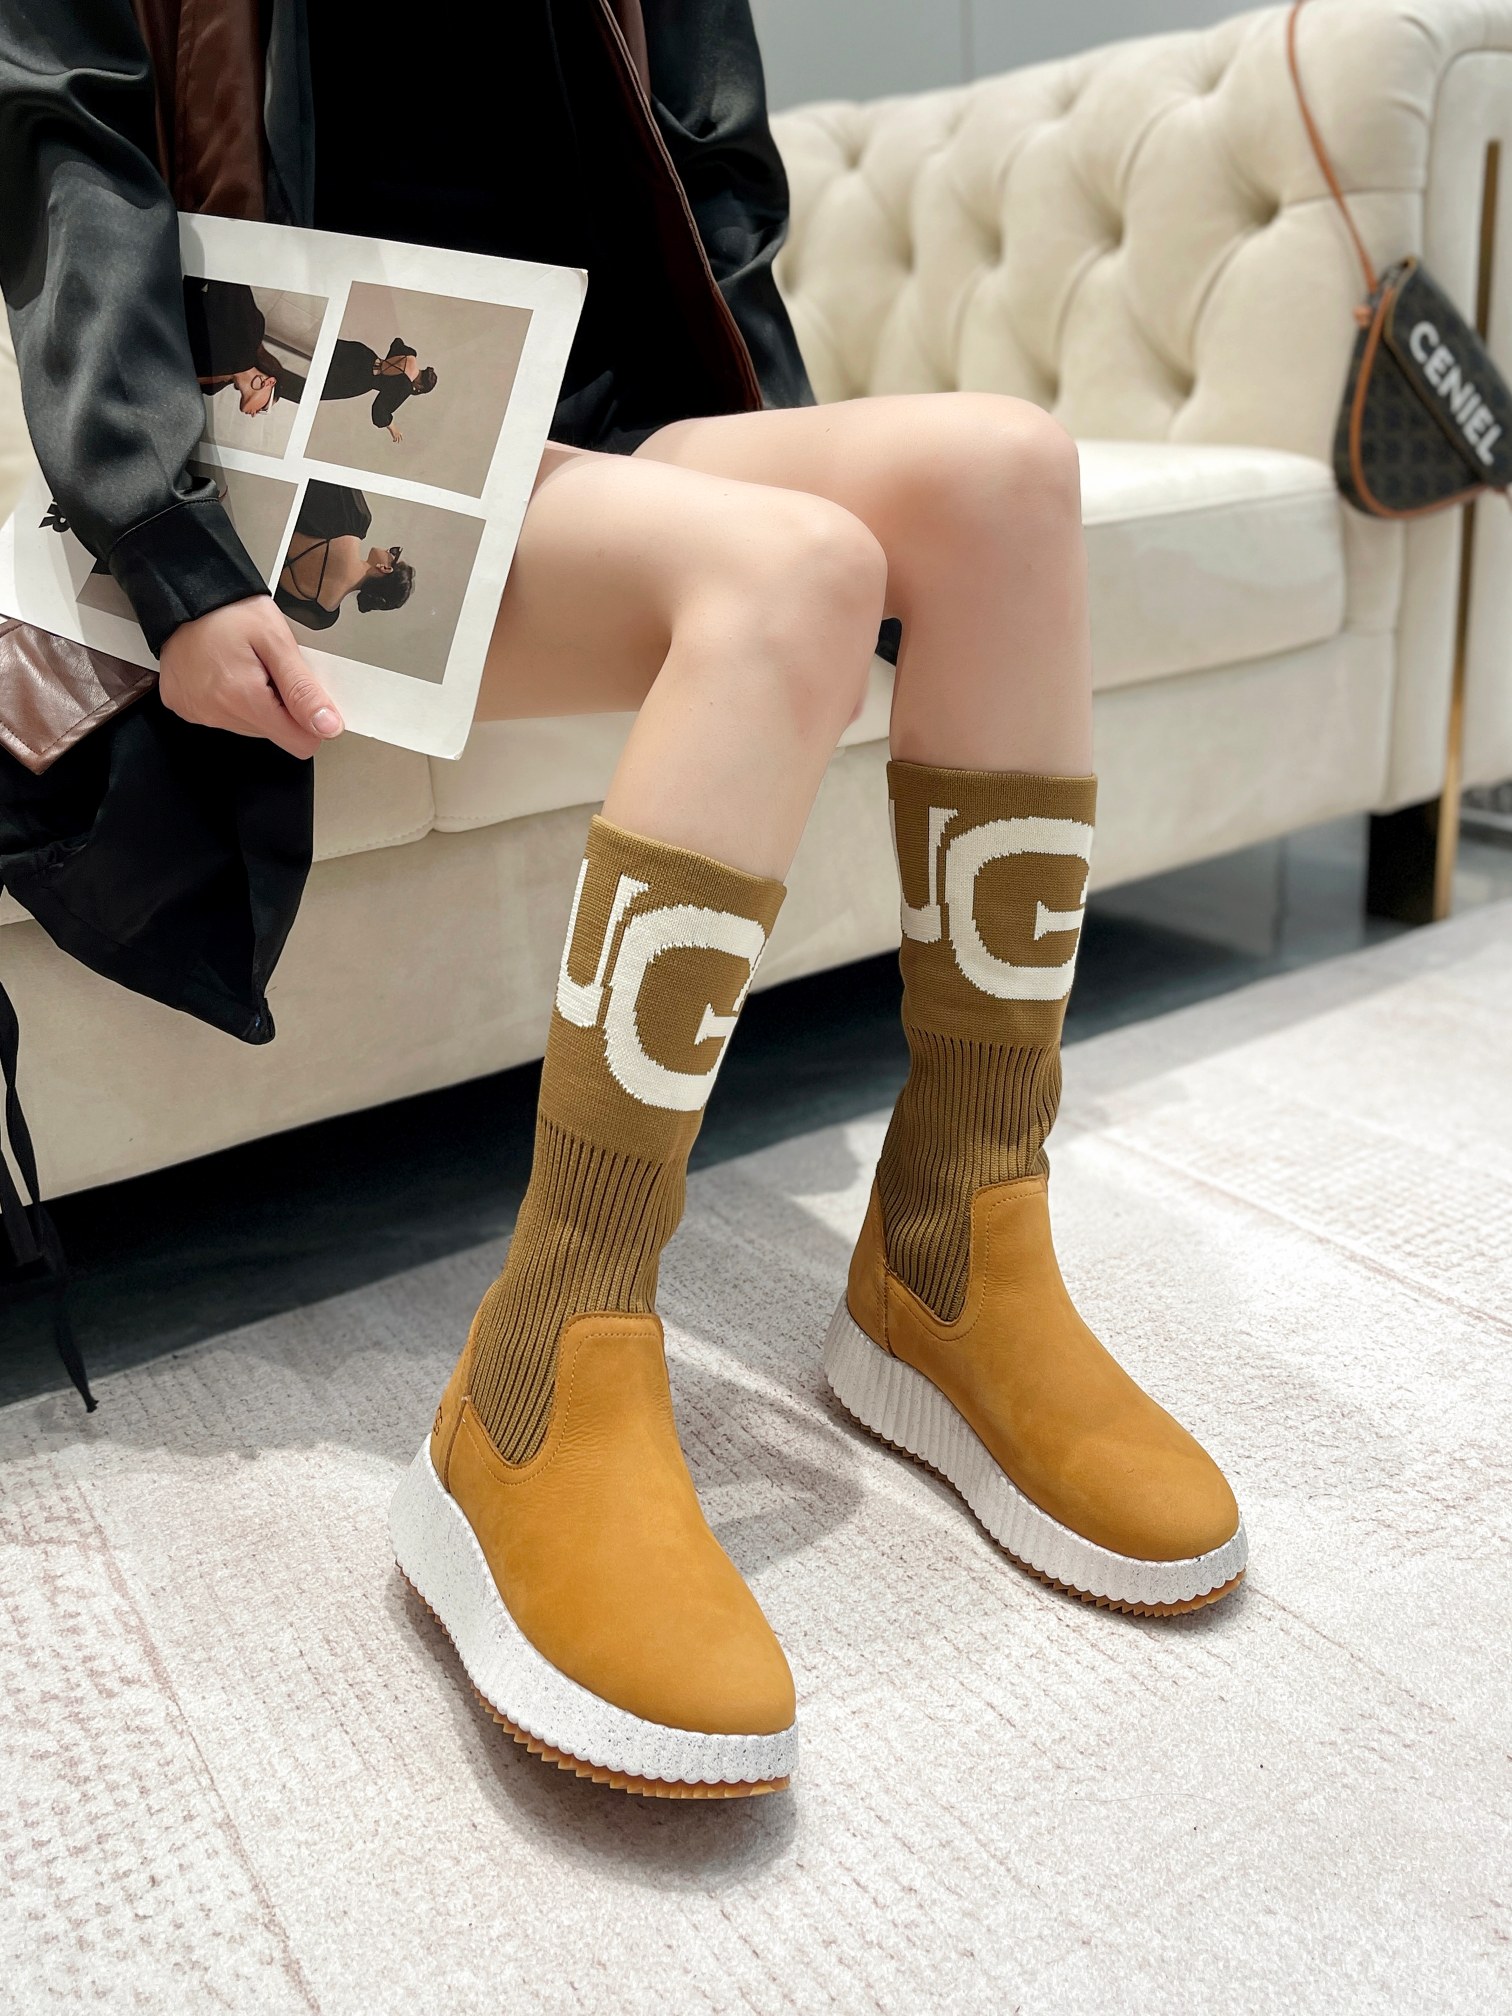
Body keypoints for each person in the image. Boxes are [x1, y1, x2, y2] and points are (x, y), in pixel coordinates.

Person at [0, 0, 1245, 1803]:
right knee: (791, 569)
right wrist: (165, 541)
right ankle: (544, 1363)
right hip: (279, 427)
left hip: (575, 420)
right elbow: (67, 143)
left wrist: (793, 474)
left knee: (1002, 478)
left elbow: (711, 182)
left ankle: (959, 1239)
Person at [273, 483, 414, 631]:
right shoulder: (322, 617)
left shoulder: (355, 516)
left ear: (385, 568)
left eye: (394, 553)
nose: (388, 550)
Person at [183, 277, 305, 416]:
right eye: (264, 409)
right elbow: (228, 279)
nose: (254, 414)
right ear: (270, 382)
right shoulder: (250, 333)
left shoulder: (212, 387)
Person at [320, 336, 437, 443]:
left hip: (362, 355)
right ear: (421, 386)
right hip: (359, 378)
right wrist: (393, 428)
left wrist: (387, 367)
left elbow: (397, 342)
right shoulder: (404, 386)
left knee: (322, 347)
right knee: (319, 381)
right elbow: (380, 410)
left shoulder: (411, 355)